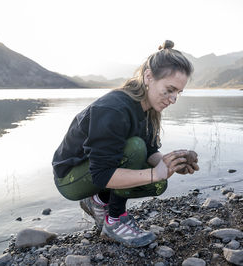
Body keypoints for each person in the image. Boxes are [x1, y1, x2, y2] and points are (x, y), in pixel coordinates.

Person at [52, 40, 199, 247]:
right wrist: (155, 172)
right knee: (136, 150)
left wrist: (173, 162)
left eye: (178, 93)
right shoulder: (114, 109)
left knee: (159, 183)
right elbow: (102, 174)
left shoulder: (148, 110)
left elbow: (150, 150)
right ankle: (115, 220)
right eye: (170, 89)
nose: (173, 99)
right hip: (70, 177)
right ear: (149, 77)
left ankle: (99, 201)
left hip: (96, 170)